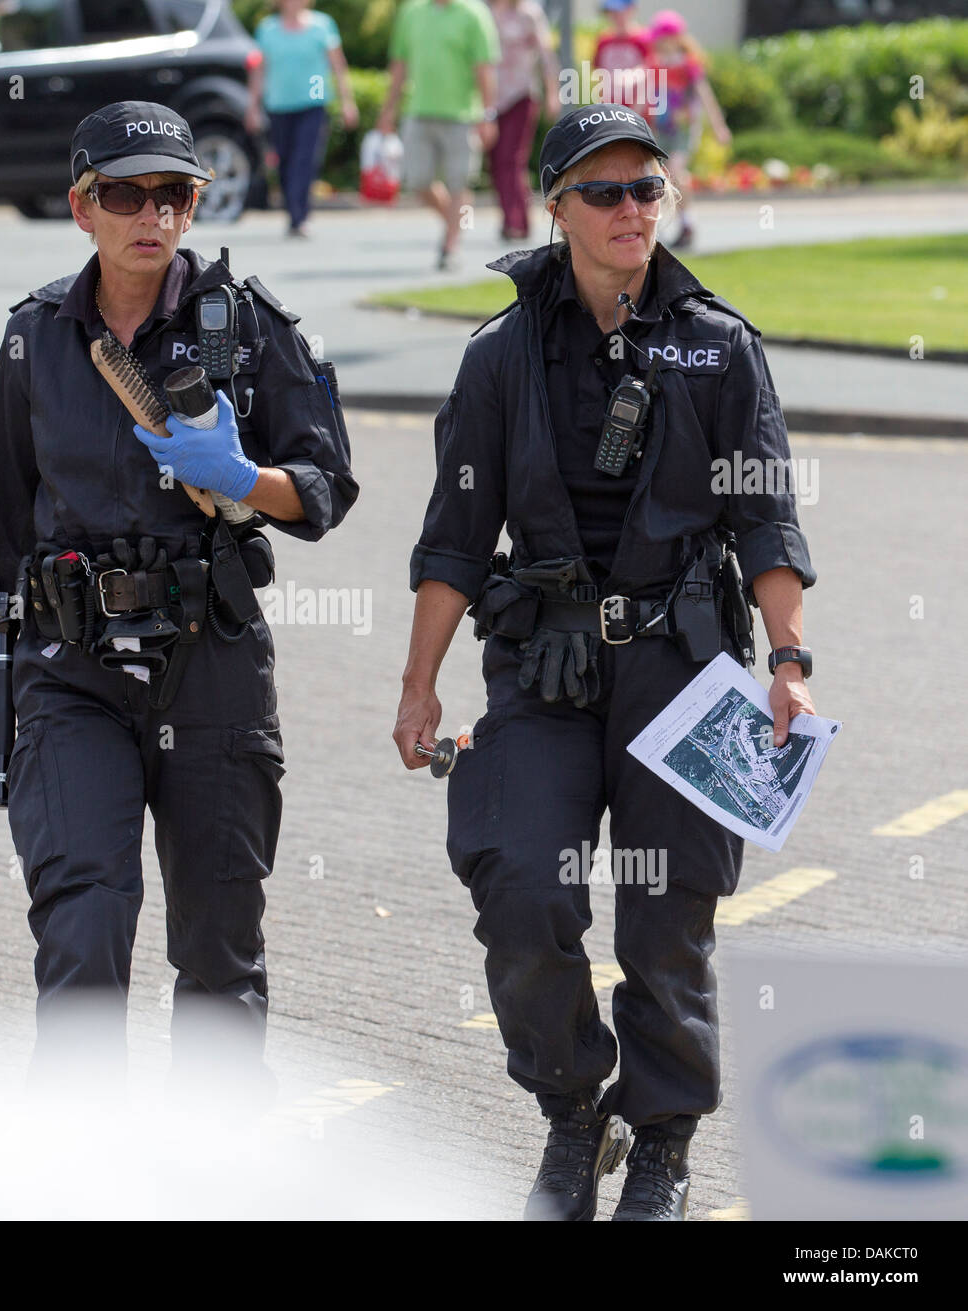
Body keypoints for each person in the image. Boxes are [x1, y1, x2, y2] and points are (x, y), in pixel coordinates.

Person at [394, 104, 818, 1220]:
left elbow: (766, 523)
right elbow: (451, 537)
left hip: (680, 672)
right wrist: (416, 683)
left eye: (646, 189)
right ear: (555, 207)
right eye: (604, 192)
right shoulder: (499, 355)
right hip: (540, 668)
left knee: (667, 914)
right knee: (522, 887)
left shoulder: (718, 347)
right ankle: (574, 1115)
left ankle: (665, 1142)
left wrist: (789, 659)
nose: (631, 210)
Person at [0, 101, 358, 1097]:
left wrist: (241, 474)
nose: (151, 214)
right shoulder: (34, 338)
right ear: (81, 207)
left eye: (171, 194)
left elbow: (324, 489)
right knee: (82, 924)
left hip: (207, 661)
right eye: (124, 193)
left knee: (219, 946)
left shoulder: (247, 328)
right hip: (67, 669)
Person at [377, 0, 500, 270]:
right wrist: (388, 110)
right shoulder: (411, 11)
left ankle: (450, 246)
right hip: (418, 111)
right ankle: (454, 222)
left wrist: (488, 114)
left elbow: (484, 68)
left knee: (459, 181)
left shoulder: (474, 13)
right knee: (418, 180)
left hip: (462, 115)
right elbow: (400, 64)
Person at [246, 0, 359, 238]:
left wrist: (347, 102)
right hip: (279, 103)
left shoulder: (322, 25)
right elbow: (259, 69)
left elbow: (338, 65)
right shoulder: (267, 28)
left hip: (313, 101)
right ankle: (293, 212)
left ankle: (300, 216)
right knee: (285, 160)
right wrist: (253, 106)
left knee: (305, 159)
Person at [645, 10, 731, 248]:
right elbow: (646, 96)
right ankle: (660, 224)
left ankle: (688, 222)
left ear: (674, 38)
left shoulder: (689, 65)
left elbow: (705, 95)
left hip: (683, 130)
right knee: (658, 175)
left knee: (675, 170)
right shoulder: (655, 65)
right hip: (661, 130)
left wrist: (718, 126)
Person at [485, 0, 562, 242]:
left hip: (521, 94)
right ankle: (509, 217)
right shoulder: (483, 11)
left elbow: (545, 55)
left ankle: (517, 222)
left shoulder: (528, 13)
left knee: (512, 157)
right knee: (496, 161)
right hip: (489, 97)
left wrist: (552, 92)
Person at [592, 0, 650, 109]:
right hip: (611, 108)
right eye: (611, 12)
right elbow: (599, 72)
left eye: (619, 11)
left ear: (631, 10)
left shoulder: (643, 39)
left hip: (637, 109)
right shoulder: (604, 41)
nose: (615, 16)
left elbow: (651, 70)